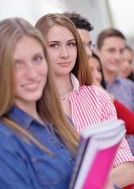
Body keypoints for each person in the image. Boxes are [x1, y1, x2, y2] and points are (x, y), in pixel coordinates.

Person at [35, 13, 134, 188]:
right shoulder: (32, 104)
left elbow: (127, 167)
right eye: (54, 45)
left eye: (71, 44)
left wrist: (94, 185)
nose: (65, 54)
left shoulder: (97, 97)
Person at [0, 17, 81, 189]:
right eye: (17, 64)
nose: (32, 74)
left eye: (37, 59)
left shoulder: (63, 122)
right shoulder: (5, 140)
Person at [96, 28, 134, 155]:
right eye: (111, 50)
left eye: (121, 51)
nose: (117, 56)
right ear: (98, 51)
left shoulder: (129, 86)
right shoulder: (89, 88)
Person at [90, 52, 134, 135]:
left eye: (99, 70)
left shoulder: (130, 85)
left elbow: (131, 125)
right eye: (90, 69)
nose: (97, 76)